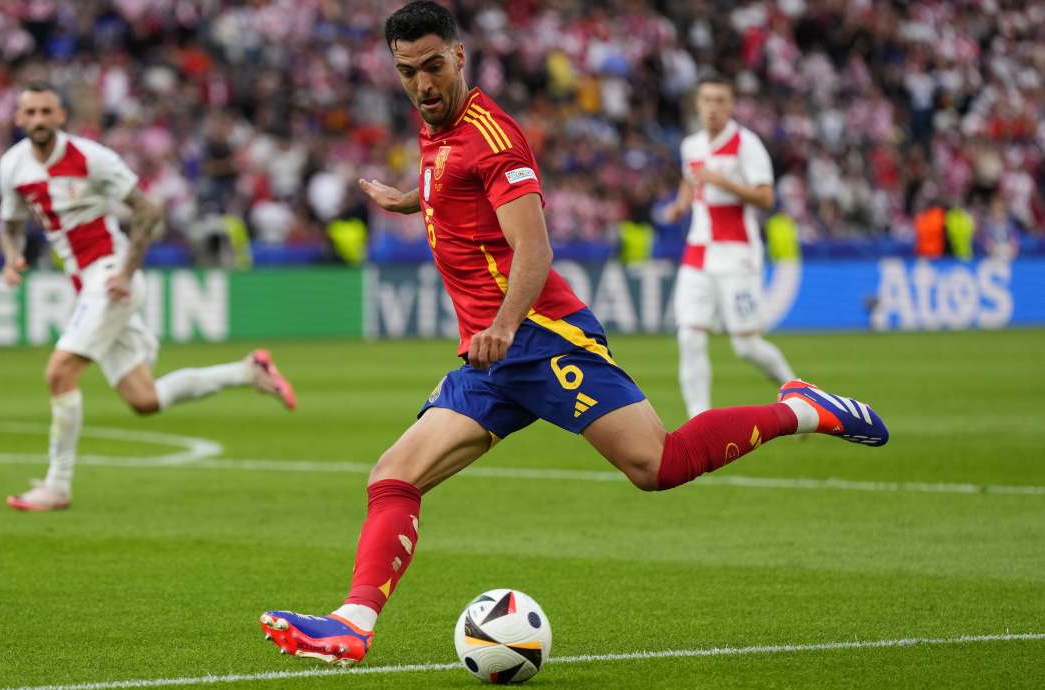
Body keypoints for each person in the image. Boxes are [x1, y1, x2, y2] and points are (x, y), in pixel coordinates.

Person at [258, 2, 887, 668]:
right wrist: (411, 197)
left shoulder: (494, 137)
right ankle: (352, 626)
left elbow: (535, 250)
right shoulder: (434, 127)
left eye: (434, 67)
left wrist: (504, 324)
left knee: (657, 465)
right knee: (392, 476)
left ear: (461, 56)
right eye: (407, 71)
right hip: (489, 357)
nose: (423, 85)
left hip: (540, 338)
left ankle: (800, 410)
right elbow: (452, 179)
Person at [0, 82, 297, 512]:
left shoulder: (91, 158)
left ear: (62, 116)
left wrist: (126, 270)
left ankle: (57, 486)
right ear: (19, 119)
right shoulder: (12, 166)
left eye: (47, 111)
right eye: (32, 113)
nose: (40, 120)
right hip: (86, 283)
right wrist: (12, 258)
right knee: (144, 400)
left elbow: (149, 209)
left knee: (59, 373)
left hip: (110, 275)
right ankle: (247, 372)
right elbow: (10, 221)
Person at [663, 75, 799, 418]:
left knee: (746, 346)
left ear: (731, 105)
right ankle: (700, 419)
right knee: (689, 336)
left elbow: (766, 196)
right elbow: (688, 179)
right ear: (697, 104)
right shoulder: (691, 145)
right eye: (707, 100)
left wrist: (724, 181)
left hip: (736, 252)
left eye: (720, 100)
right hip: (697, 251)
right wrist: (680, 204)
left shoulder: (746, 144)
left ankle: (797, 393)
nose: (712, 107)